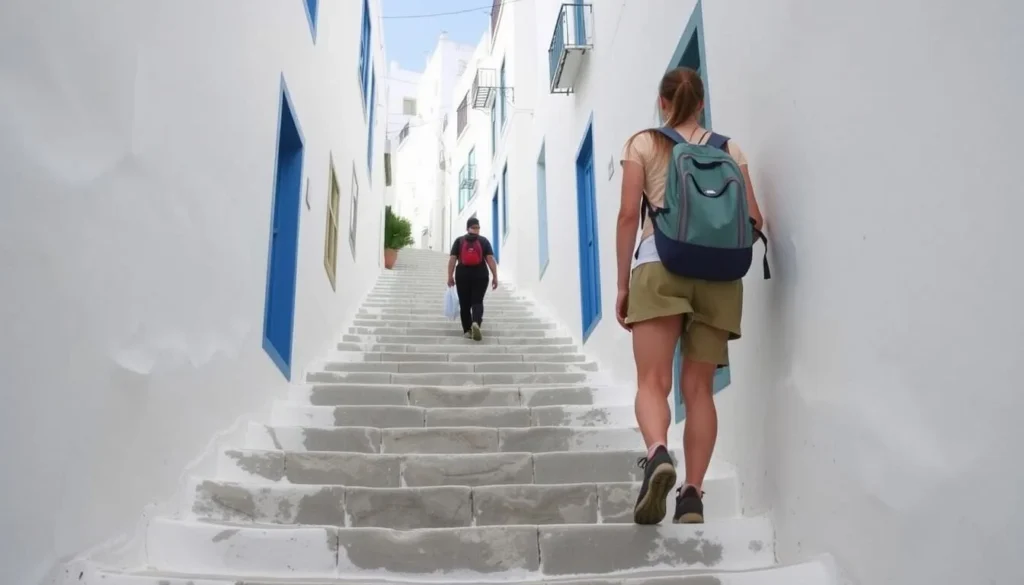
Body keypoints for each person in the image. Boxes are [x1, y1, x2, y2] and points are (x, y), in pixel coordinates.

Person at [615, 67, 765, 525]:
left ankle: (659, 452)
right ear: (701, 103)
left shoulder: (643, 143)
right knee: (699, 390)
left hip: (660, 264)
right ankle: (693, 496)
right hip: (720, 278)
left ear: (662, 102)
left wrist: (623, 284)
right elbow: (755, 219)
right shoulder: (729, 149)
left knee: (652, 382)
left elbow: (626, 216)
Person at [447, 217, 498, 341]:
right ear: (477, 228)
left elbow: (452, 259)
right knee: (477, 301)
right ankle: (476, 322)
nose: (477, 229)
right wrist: (495, 276)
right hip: (480, 275)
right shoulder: (483, 241)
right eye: (477, 227)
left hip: (462, 275)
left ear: (467, 228)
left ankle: (467, 330)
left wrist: (450, 276)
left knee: (464, 304)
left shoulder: (459, 241)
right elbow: (490, 259)